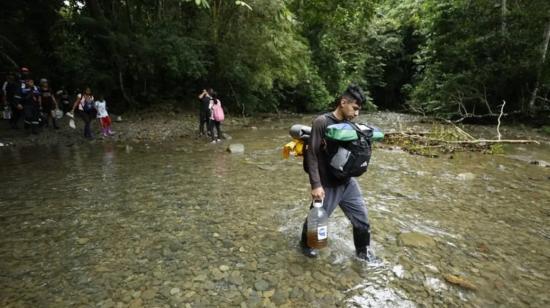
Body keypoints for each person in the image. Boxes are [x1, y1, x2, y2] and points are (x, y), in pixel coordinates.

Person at [300, 84, 375, 261]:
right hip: (327, 184)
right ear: (343, 102)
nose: (356, 113)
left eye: (359, 110)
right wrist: (316, 185)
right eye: (354, 108)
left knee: (362, 220)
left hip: (347, 182)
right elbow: (311, 154)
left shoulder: (350, 125)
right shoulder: (322, 122)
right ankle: (305, 245)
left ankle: (362, 253)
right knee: (318, 220)